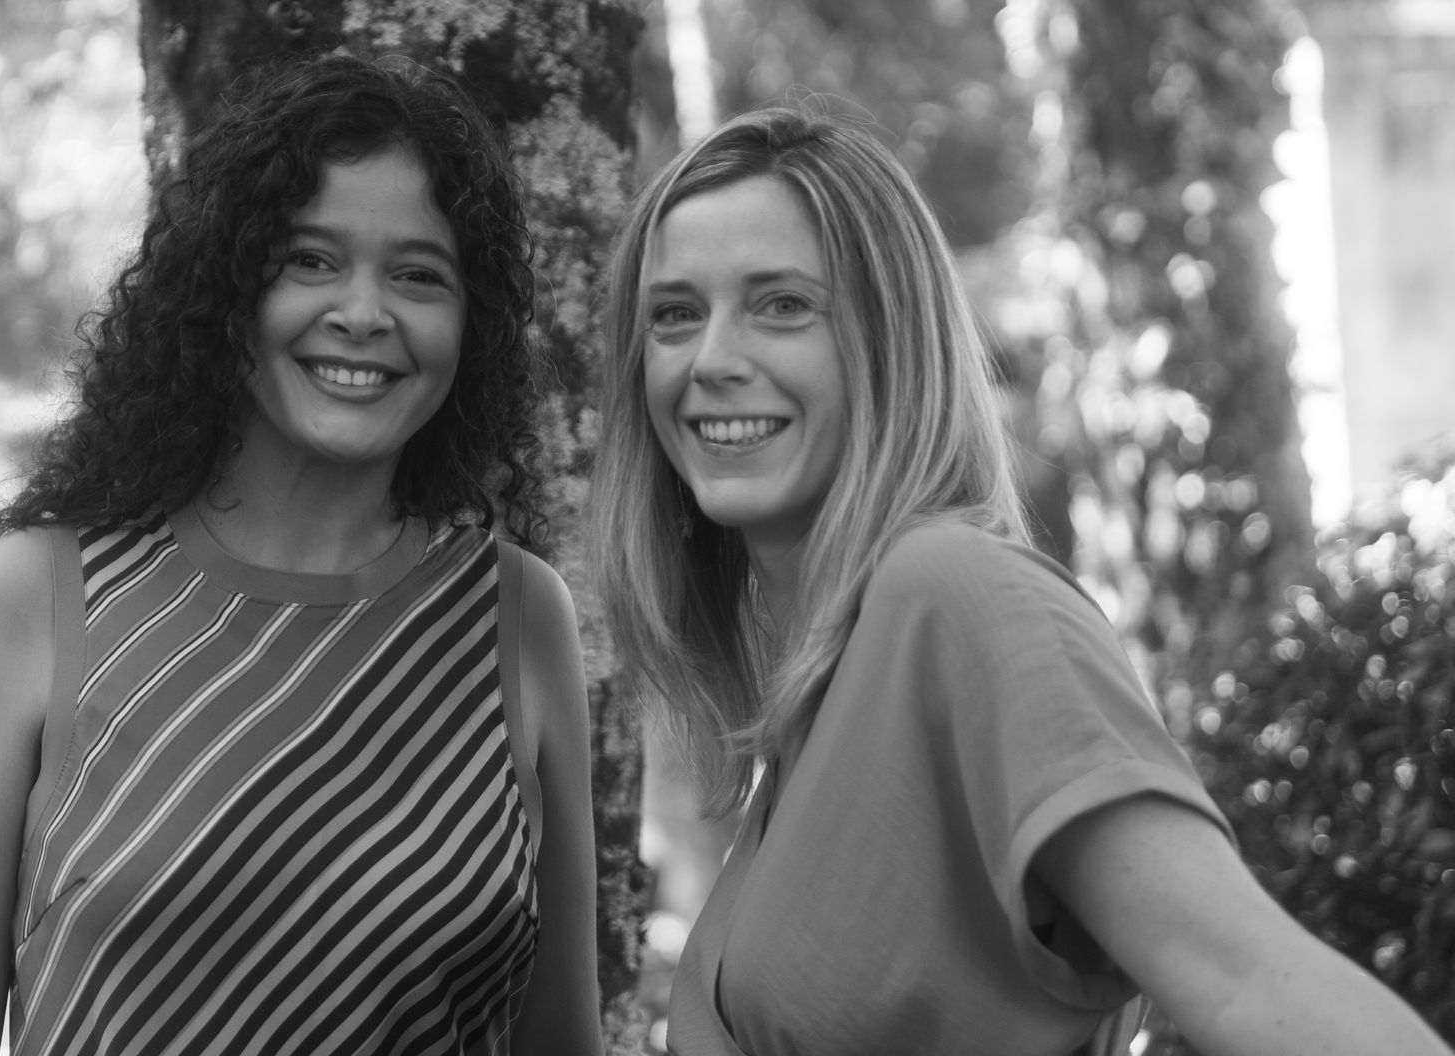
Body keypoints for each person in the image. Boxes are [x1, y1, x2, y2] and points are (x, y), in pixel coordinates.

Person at [589, 107, 1452, 1056]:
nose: (712, 360)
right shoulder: (822, 687)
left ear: (890, 340)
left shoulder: (957, 599)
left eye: (782, 305)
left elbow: (1245, 978)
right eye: (675, 314)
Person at [0, 54, 601, 1056]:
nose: (363, 312)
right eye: (310, 260)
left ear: (469, 325)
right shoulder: (38, 596)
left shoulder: (517, 616)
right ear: (227, 287)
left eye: (418, 275)